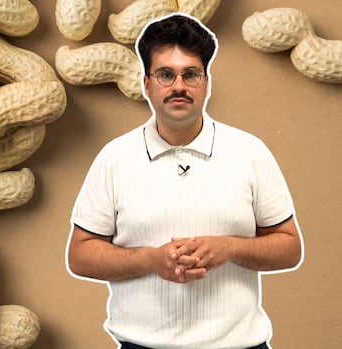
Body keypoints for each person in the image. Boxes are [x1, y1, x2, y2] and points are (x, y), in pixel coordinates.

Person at [66, 13, 304, 349]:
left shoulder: (250, 151)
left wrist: (229, 247)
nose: (179, 86)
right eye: (166, 74)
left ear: (207, 82)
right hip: (141, 345)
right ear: (146, 84)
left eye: (190, 74)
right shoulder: (115, 157)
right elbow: (80, 255)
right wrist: (151, 259)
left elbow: (289, 247)